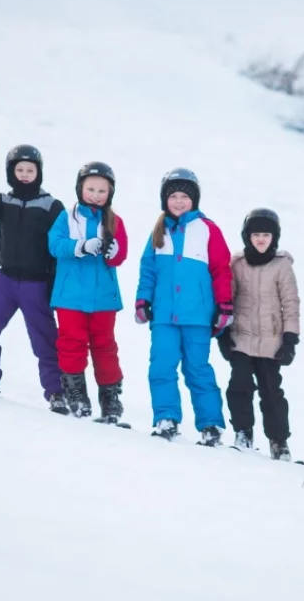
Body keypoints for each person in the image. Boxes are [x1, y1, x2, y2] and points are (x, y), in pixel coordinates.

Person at [134, 168, 232, 446]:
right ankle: (166, 418)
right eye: (173, 196)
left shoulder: (207, 229)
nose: (178, 201)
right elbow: (148, 269)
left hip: (197, 316)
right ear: (165, 200)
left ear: (195, 199)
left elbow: (221, 270)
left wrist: (224, 305)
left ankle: (211, 424)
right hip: (164, 315)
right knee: (161, 366)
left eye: (184, 197)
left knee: (198, 369)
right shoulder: (159, 231)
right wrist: (143, 299)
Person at [0, 145, 66, 411]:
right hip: (6, 279)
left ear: (39, 172)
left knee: (45, 338)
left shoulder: (51, 206)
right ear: (11, 173)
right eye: (19, 170)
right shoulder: (4, 201)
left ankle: (57, 392)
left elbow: (59, 248)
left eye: (30, 170)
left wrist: (54, 286)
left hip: (37, 283)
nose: (24, 174)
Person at [47, 161, 128, 424]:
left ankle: (111, 397)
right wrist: (80, 246)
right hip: (70, 296)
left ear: (110, 194)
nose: (95, 195)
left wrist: (114, 253)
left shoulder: (115, 221)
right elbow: (54, 245)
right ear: (80, 188)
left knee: (105, 347)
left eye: (102, 191)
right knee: (72, 343)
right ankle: (76, 394)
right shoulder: (67, 218)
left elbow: (121, 252)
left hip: (103, 298)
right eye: (90, 189)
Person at [217, 208, 300, 461]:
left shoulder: (282, 265)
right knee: (239, 387)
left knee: (271, 392)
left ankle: (279, 442)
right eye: (256, 234)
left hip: (271, 342)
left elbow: (291, 302)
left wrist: (290, 338)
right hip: (241, 338)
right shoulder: (237, 264)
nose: (261, 239)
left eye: (266, 234)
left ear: (274, 237)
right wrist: (223, 334)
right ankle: (243, 432)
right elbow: (226, 298)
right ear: (247, 237)